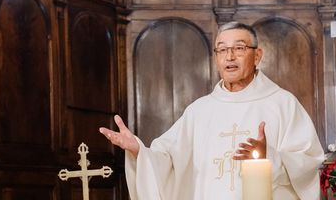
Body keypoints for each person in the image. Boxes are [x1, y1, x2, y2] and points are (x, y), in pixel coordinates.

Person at [98, 21, 324, 200]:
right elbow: (167, 160)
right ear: (216, 58)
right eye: (222, 50)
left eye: (239, 48)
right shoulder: (200, 111)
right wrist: (139, 150)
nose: (230, 56)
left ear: (257, 56)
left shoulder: (283, 104)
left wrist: (269, 157)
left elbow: (308, 163)